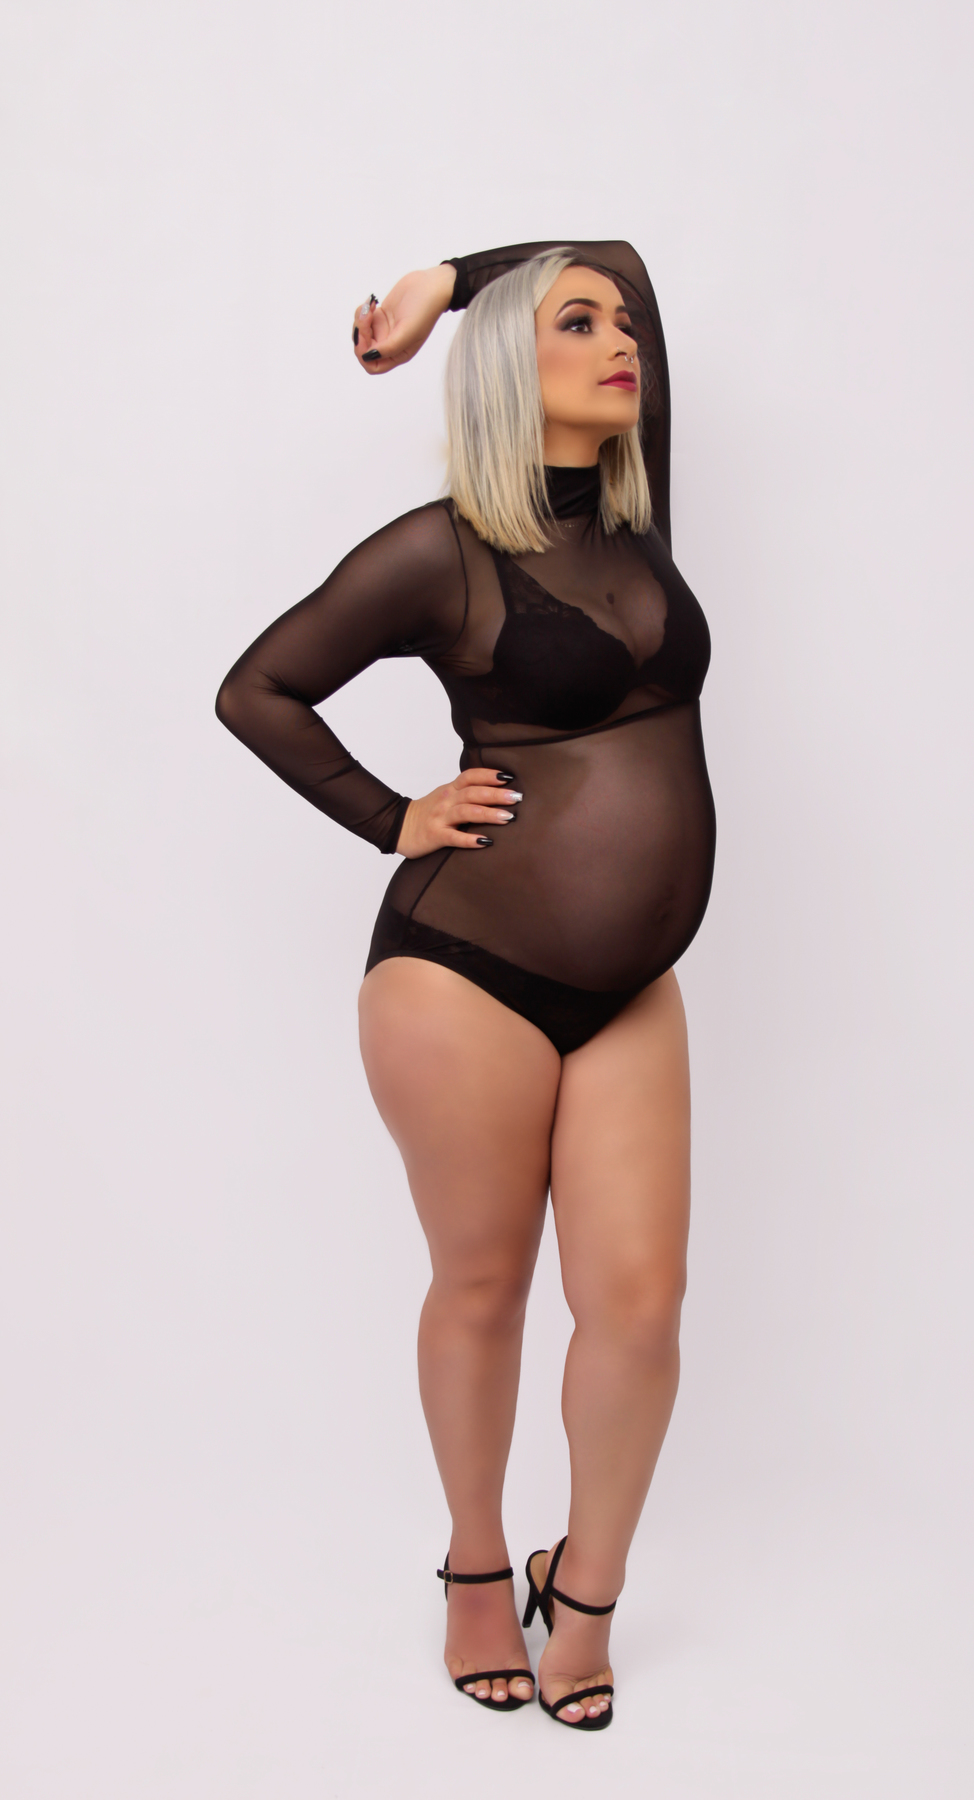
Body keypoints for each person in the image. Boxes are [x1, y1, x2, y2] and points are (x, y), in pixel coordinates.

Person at [215, 241, 715, 1730]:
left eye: (622, 326)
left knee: (639, 1307)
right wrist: (393, 816)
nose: (622, 337)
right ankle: (478, 1568)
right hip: (464, 974)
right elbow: (257, 688)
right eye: (578, 324)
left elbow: (622, 251)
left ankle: (590, 1590)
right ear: (510, 367)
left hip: (632, 986)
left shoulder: (636, 509)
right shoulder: (442, 550)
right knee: (486, 1283)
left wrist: (445, 273)